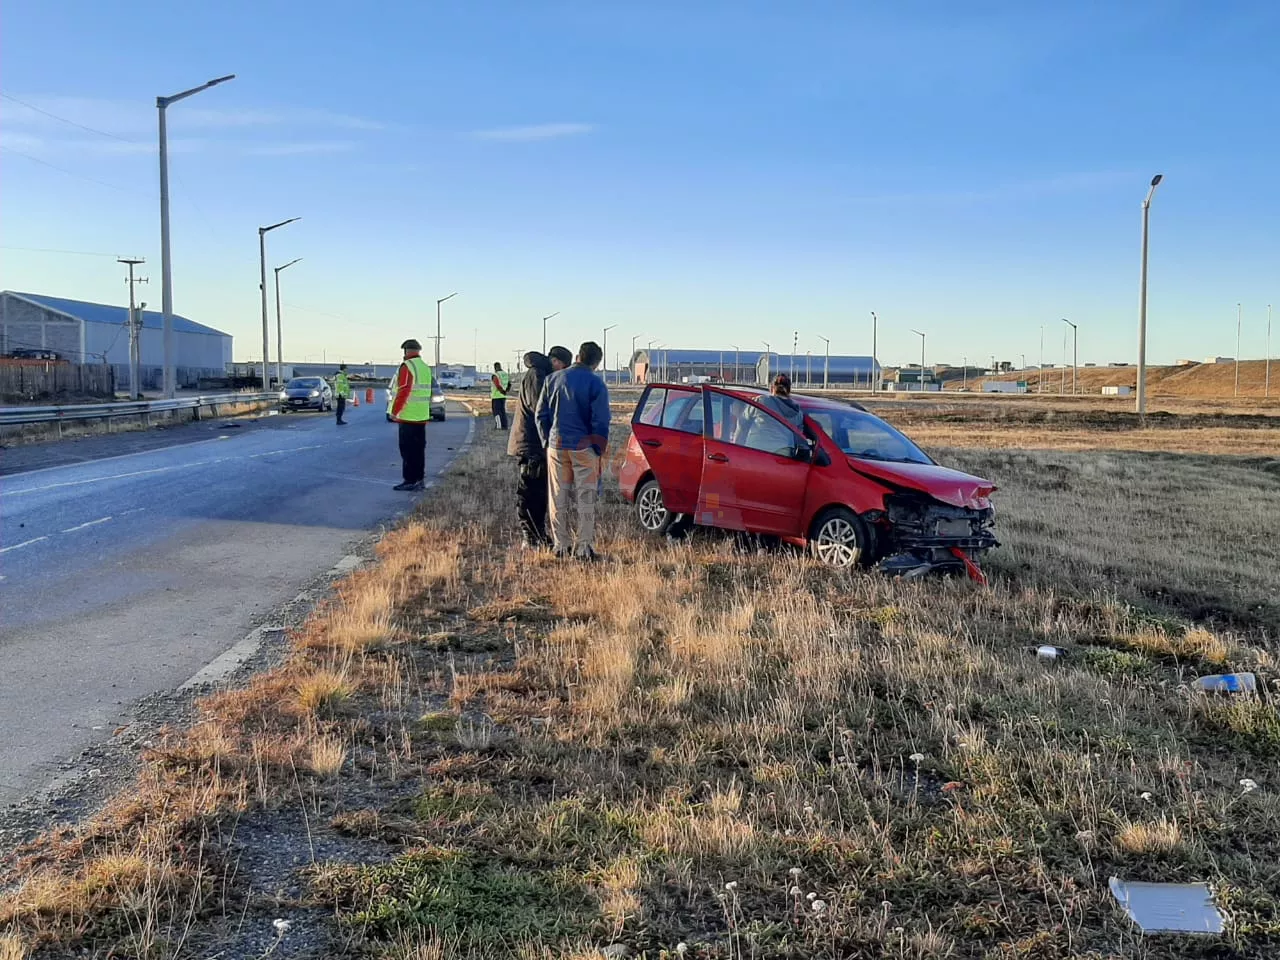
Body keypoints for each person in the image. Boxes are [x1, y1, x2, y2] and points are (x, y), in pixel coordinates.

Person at [536, 340, 611, 560]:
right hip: (584, 447)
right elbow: (601, 420)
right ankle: (583, 548)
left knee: (558, 495)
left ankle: (561, 545)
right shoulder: (596, 384)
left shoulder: (552, 380)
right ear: (596, 363)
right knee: (585, 497)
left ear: (578, 356)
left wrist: (546, 441)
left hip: (557, 445)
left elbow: (540, 415)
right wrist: (598, 448)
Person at [509, 351, 555, 548]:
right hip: (530, 444)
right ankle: (530, 536)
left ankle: (538, 534)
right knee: (529, 491)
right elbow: (540, 409)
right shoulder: (537, 375)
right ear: (555, 362)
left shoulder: (540, 374)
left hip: (535, 443)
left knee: (538, 492)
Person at [389, 338, 435, 491]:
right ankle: (419, 480)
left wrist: (394, 412)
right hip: (421, 416)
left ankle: (409, 480)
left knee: (408, 450)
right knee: (419, 450)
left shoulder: (407, 366)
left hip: (408, 416)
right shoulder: (425, 367)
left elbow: (403, 390)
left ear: (406, 351)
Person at [734, 372, 806, 445]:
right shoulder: (798, 413)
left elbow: (742, 422)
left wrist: (735, 446)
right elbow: (799, 438)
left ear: (771, 388)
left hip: (756, 450)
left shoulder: (760, 401)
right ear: (789, 390)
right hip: (783, 452)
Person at [490, 362, 512, 430]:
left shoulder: (495, 375)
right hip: (503, 397)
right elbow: (509, 384)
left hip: (496, 396)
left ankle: (498, 426)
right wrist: (506, 391)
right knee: (503, 411)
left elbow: (497, 385)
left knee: (496, 412)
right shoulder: (505, 374)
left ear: (495, 367)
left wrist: (502, 391)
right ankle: (504, 426)